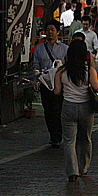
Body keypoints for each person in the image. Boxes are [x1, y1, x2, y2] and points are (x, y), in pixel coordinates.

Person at [54, 40, 98, 182]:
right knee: (85, 139)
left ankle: (72, 172)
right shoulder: (89, 71)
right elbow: (97, 88)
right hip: (86, 107)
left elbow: (57, 91)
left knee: (69, 141)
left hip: (68, 107)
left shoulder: (61, 71)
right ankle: (83, 168)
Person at [32, 19, 69, 148]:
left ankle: (58, 134)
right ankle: (53, 135)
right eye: (48, 30)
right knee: (48, 110)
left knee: (58, 109)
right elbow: (36, 65)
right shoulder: (39, 48)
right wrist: (36, 79)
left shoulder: (65, 49)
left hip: (60, 83)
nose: (50, 33)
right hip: (45, 83)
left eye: (52, 30)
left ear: (58, 32)